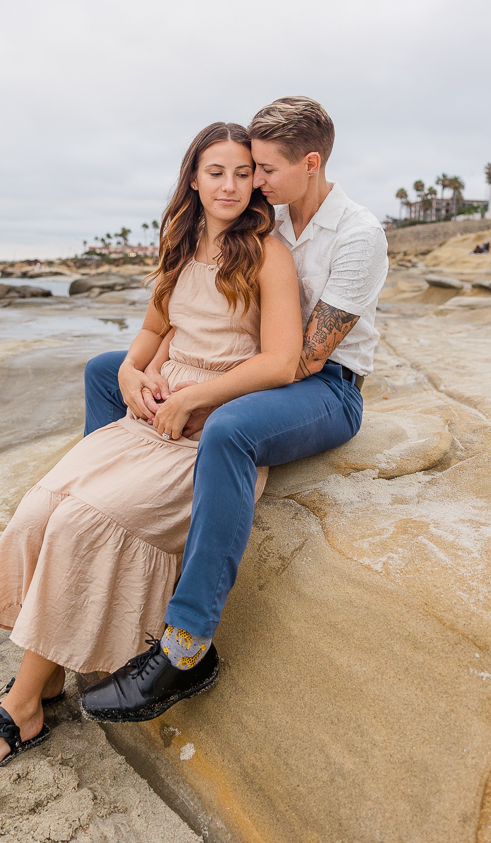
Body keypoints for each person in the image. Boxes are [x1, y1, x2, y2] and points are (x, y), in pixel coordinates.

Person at [0, 121, 303, 781]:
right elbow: (155, 327)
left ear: (256, 182)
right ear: (192, 177)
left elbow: (279, 361)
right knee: (42, 507)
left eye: (243, 173)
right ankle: (44, 682)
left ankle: (21, 708)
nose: (230, 184)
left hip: (211, 432)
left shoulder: (267, 252)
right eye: (215, 171)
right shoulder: (179, 239)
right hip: (154, 416)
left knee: (84, 523)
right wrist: (132, 374)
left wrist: (197, 398)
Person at [80, 96, 389, 723]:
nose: (253, 182)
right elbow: (199, 310)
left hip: (325, 386)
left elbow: (299, 359)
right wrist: (147, 369)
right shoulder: (265, 224)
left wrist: (204, 393)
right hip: (255, 365)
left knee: (228, 430)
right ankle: (110, 501)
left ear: (309, 164)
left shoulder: (358, 235)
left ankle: (186, 646)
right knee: (102, 373)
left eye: (264, 170)